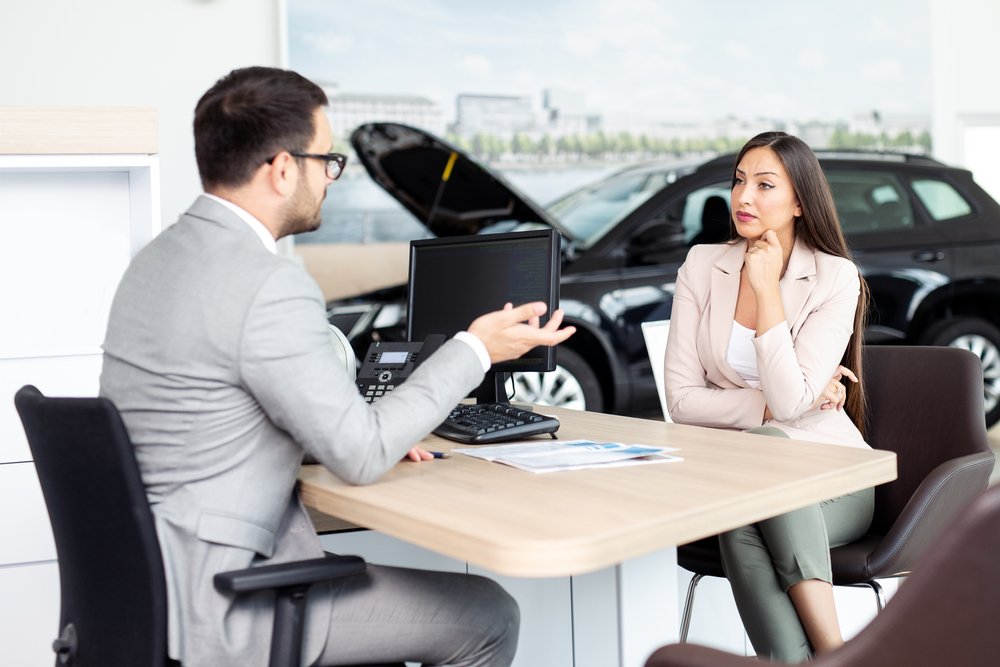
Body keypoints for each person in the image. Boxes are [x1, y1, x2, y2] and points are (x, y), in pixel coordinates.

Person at [99, 66, 575, 667]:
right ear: (280, 168)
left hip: (148, 585)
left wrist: (355, 426)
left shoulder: (155, 261)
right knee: (489, 615)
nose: (331, 178)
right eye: (326, 160)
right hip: (227, 601)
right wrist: (475, 349)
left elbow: (205, 421)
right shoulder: (267, 283)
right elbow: (360, 457)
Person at [663, 131, 872, 663]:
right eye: (738, 181)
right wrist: (774, 407)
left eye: (764, 184)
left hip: (835, 478)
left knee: (753, 491)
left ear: (800, 201)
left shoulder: (835, 277)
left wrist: (767, 293)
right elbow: (683, 401)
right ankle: (837, 656)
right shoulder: (702, 266)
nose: (743, 197)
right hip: (745, 480)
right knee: (751, 492)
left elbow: (787, 397)